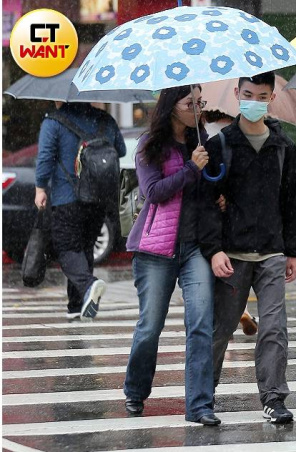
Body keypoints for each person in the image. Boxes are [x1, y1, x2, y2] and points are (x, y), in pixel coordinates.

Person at [200, 71, 296, 424]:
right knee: (221, 327)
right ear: (236, 93)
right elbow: (207, 202)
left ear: (271, 98)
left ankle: (273, 397)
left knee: (274, 327)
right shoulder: (221, 145)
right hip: (232, 253)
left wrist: (292, 250)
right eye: (248, 95)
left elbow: (292, 200)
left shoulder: (283, 147)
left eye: (261, 96)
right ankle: (204, 393)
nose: (254, 102)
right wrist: (214, 249)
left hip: (272, 251)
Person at [122, 85, 220, 426]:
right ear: (172, 105)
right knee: (150, 326)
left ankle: (200, 405)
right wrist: (191, 168)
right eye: (190, 102)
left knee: (201, 324)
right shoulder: (151, 145)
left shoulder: (202, 141)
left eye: (199, 102)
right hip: (156, 249)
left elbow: (207, 187)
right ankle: (135, 390)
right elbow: (153, 191)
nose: (197, 108)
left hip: (195, 247)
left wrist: (216, 193)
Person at [34, 102, 126, 320]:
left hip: (67, 196)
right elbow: (120, 150)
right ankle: (77, 305)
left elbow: (45, 157)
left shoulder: (53, 122)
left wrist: (40, 188)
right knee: (85, 247)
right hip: (99, 197)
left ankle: (88, 286)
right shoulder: (105, 119)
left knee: (66, 247)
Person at [203, 110, 258, 337]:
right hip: (236, 219)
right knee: (233, 273)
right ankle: (241, 310)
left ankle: (222, 318)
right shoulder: (241, 134)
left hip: (210, 217)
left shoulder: (206, 135)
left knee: (213, 275)